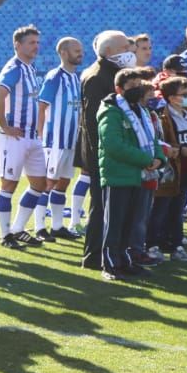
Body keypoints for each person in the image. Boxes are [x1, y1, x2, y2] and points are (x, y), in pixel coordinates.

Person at [96, 67, 164, 281]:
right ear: (119, 89)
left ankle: (126, 260)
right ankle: (110, 264)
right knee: (114, 224)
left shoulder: (141, 111)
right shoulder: (111, 111)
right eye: (131, 86)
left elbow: (153, 139)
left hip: (137, 175)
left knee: (129, 224)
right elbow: (114, 145)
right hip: (118, 175)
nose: (136, 89)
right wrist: (146, 160)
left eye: (138, 86)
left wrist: (159, 158)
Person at [78, 31, 134, 270]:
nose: (129, 49)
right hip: (104, 155)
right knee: (103, 207)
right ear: (110, 51)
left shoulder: (106, 73)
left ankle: (108, 254)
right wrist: (100, 155)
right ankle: (95, 256)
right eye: (124, 46)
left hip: (108, 153)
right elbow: (92, 122)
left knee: (111, 207)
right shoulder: (98, 77)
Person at [0, 26, 49, 249]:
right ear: (18, 45)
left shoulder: (29, 68)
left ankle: (18, 228)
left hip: (31, 137)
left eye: (37, 42)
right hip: (13, 138)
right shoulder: (14, 68)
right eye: (31, 42)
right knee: (8, 185)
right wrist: (5, 127)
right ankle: (5, 234)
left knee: (40, 183)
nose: (35, 46)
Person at [38, 37, 88, 239]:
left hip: (71, 141)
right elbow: (41, 107)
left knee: (63, 183)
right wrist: (40, 138)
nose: (80, 54)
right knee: (47, 184)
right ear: (64, 53)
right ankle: (40, 226)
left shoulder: (77, 78)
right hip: (54, 141)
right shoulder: (55, 76)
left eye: (81, 50)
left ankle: (57, 226)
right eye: (76, 50)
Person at [149, 78, 187, 261]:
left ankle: (176, 245)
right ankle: (152, 245)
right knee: (160, 209)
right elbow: (160, 142)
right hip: (169, 172)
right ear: (172, 98)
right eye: (185, 94)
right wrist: (180, 150)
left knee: (177, 209)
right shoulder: (162, 117)